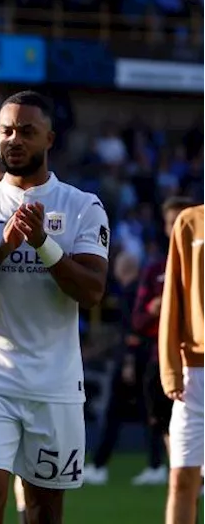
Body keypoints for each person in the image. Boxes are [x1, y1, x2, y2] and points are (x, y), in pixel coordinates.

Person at [0, 91, 109, 524]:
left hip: (55, 386)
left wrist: (42, 244)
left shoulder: (82, 206)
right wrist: (4, 247)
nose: (14, 139)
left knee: (43, 512)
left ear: (49, 138)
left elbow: (91, 291)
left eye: (26, 132)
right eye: (6, 131)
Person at [120, 197, 195, 491]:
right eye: (171, 221)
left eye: (182, 220)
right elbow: (137, 320)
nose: (176, 227)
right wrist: (155, 308)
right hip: (163, 363)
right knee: (172, 441)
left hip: (196, 363)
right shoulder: (155, 270)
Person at [158, 196, 205, 524]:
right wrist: (170, 367)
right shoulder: (189, 222)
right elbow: (173, 295)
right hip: (194, 374)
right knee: (181, 477)